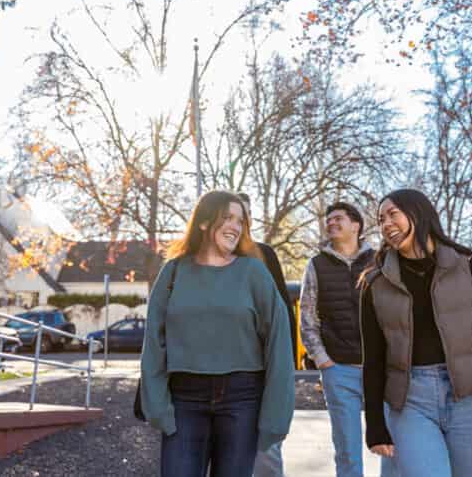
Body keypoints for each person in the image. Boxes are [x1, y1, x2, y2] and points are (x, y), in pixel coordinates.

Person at [360, 189, 472, 477]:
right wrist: (375, 423)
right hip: (410, 400)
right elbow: (373, 358)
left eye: (393, 214)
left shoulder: (468, 266)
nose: (385, 224)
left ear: (419, 214)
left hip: (471, 397)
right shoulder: (375, 283)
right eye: (381, 219)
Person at [140, 190, 295, 477]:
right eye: (228, 218)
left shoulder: (255, 273)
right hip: (184, 399)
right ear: (203, 222)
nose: (236, 226)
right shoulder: (173, 272)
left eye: (240, 220)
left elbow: (279, 343)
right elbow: (153, 343)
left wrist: (277, 413)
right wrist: (158, 407)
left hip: (243, 398)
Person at [299, 202, 380, 477]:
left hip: (381, 370)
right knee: (347, 449)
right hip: (339, 371)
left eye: (338, 218)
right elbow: (307, 316)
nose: (331, 222)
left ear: (356, 225)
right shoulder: (316, 264)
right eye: (328, 219)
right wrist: (322, 359)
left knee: (395, 444)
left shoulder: (380, 260)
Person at [237, 192, 297, 477]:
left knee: (266, 454)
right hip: (214, 374)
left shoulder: (264, 254)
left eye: (246, 214)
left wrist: (286, 363)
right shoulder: (200, 260)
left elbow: (284, 311)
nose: (240, 221)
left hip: (261, 367)